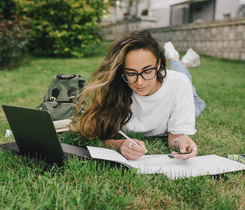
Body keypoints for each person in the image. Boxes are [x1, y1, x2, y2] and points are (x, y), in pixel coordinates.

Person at [71, 30, 205, 161]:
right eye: (130, 73)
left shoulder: (178, 83)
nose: (139, 83)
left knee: (197, 104)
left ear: (158, 64)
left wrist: (181, 140)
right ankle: (180, 61)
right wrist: (120, 144)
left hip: (181, 86)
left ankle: (177, 60)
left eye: (147, 71)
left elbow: (176, 137)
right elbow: (101, 136)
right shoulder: (114, 88)